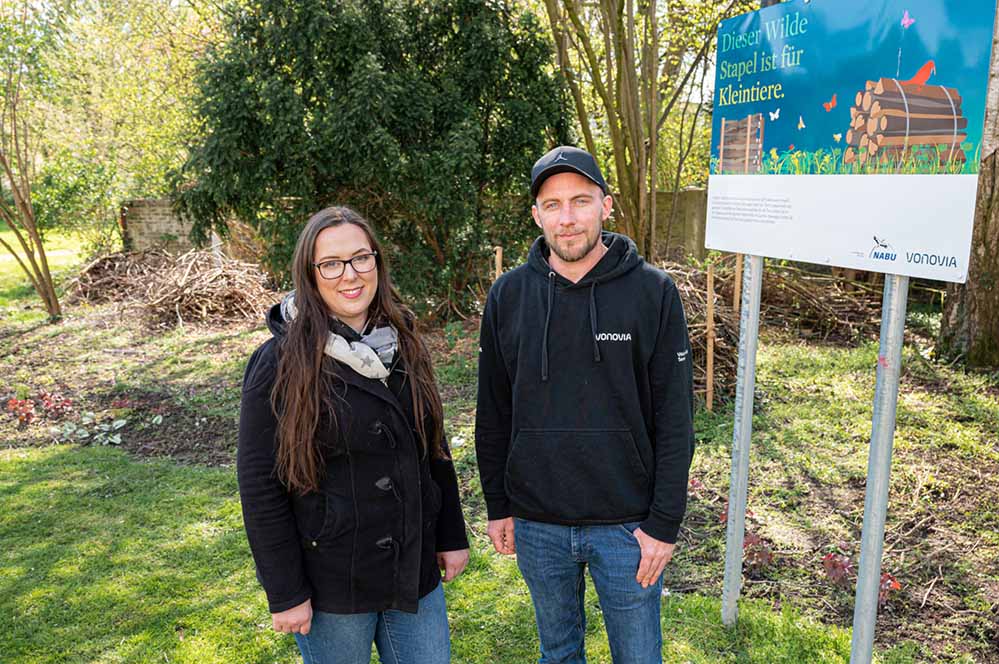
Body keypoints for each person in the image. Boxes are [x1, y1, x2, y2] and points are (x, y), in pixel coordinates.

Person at [474, 146, 694, 663]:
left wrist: (663, 525)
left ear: (606, 205)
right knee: (558, 655)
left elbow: (676, 420)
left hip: (628, 526)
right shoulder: (508, 296)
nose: (567, 218)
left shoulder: (652, 292)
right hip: (538, 523)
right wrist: (498, 505)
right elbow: (494, 412)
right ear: (536, 215)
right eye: (552, 205)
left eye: (580, 201)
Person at [238, 206, 470, 664]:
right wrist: (285, 592)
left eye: (361, 258)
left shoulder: (404, 341)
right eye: (331, 263)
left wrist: (450, 535)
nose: (350, 274)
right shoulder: (280, 361)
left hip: (412, 568)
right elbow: (260, 484)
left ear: (377, 262)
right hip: (332, 582)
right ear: (310, 273)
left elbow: (433, 444)